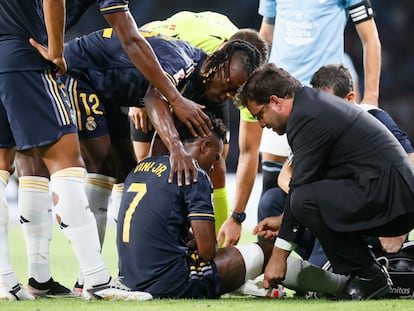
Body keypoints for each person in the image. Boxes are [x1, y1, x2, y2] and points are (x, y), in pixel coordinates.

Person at [0, 0, 157, 301]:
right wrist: (57, 51)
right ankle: (97, 281)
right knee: (67, 163)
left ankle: (6, 280)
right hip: (26, 53)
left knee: (2, 166)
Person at [117, 114, 349, 299]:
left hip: (130, 278)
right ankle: (343, 286)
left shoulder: (143, 167)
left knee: (226, 261)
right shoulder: (193, 173)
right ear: (205, 145)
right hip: (169, 283)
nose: (215, 165)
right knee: (270, 250)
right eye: (217, 156)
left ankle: (251, 284)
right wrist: (201, 241)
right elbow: (208, 252)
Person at [237, 63, 414, 300]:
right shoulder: (311, 106)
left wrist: (279, 256)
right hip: (386, 195)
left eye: (260, 114)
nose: (261, 123)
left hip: (389, 200)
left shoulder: (307, 116)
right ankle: (363, 275)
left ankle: (368, 276)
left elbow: (301, 188)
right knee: (303, 200)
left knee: (302, 199)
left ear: (276, 101)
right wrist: (284, 221)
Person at [232, 0, 382, 247]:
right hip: (278, 100)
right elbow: (266, 36)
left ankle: (324, 263)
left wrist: (371, 98)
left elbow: (370, 38)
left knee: (324, 186)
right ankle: (269, 269)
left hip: (322, 99)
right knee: (272, 191)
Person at [129, 11, 269, 241]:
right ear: (222, 55)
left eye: (236, 90)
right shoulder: (188, 37)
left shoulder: (248, 81)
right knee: (148, 165)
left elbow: (249, 151)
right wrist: (137, 96)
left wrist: (237, 217)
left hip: (206, 82)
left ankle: (216, 256)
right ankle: (157, 244)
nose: (231, 94)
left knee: (216, 162)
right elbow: (139, 36)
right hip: (167, 73)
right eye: (231, 85)